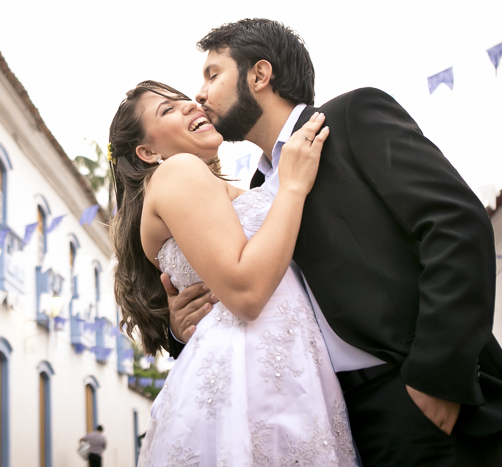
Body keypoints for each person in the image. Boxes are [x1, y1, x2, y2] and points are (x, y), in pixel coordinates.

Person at [165, 17, 502, 466]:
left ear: (259, 75)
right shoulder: (256, 188)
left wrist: (437, 376)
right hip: (329, 420)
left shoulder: (352, 118)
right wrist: (181, 328)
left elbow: (455, 224)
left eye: (213, 74)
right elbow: (255, 295)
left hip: (413, 396)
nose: (201, 94)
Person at [110, 80, 356, 465]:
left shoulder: (210, 187)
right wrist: (292, 187)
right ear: (147, 150)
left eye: (184, 100)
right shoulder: (178, 171)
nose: (192, 105)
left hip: (287, 368)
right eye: (168, 110)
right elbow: (246, 292)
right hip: (250, 379)